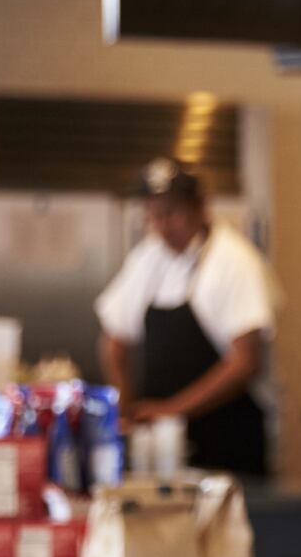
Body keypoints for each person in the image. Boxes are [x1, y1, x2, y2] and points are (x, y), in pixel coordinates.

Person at [94, 159, 278, 476]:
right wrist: (123, 404)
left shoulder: (235, 261)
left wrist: (170, 411)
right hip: (162, 450)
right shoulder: (148, 258)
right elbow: (113, 339)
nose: (163, 226)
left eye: (172, 213)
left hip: (228, 444)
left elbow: (245, 362)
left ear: (202, 207)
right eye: (154, 215)